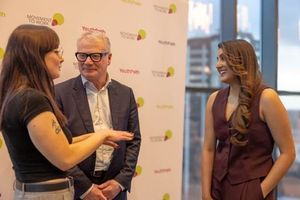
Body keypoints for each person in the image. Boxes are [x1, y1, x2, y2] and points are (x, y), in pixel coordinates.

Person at [0, 24, 133, 200]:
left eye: (95, 56)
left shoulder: (21, 95)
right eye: (56, 51)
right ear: (36, 55)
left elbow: (60, 143)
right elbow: (66, 157)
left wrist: (99, 136)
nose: (61, 58)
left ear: (109, 58)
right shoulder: (32, 99)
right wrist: (101, 136)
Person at [201, 39, 296, 200]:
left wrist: (260, 192)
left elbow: (288, 153)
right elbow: (208, 149)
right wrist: (205, 193)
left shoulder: (267, 98)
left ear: (241, 60)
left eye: (223, 58)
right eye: (217, 59)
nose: (217, 65)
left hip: (251, 189)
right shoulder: (213, 100)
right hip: (216, 189)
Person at [55, 31, 141, 200]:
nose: (87, 62)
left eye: (95, 56)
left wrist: (120, 182)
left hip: (115, 191)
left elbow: (133, 140)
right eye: (82, 55)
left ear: (109, 58)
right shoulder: (59, 93)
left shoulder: (125, 93)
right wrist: (86, 188)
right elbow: (59, 148)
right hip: (76, 191)